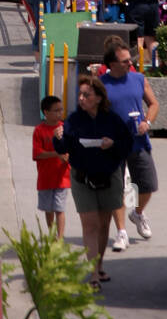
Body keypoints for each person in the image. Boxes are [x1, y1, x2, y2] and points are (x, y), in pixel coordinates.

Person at [52, 76, 134, 290]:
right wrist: (58, 137)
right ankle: (93, 275)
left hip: (108, 177)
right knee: (90, 225)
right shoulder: (74, 120)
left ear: (98, 98)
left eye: (86, 95)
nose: (81, 98)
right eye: (79, 94)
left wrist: (113, 144)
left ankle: (98, 265)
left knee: (103, 225)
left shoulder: (112, 120)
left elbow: (126, 146)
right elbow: (62, 148)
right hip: (82, 177)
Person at [102, 37, 160, 253]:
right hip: (113, 145)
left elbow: (153, 104)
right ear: (112, 63)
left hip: (138, 140)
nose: (129, 63)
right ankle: (121, 232)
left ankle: (137, 213)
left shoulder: (138, 79)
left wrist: (147, 122)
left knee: (147, 185)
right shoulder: (101, 85)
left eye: (129, 60)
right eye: (125, 61)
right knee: (117, 189)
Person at [33, 94, 70, 238]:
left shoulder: (65, 129)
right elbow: (37, 153)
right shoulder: (39, 130)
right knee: (49, 209)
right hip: (45, 177)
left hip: (62, 177)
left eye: (61, 110)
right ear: (46, 112)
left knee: (60, 209)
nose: (60, 113)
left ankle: (60, 238)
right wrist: (56, 154)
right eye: (56, 110)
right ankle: (52, 234)